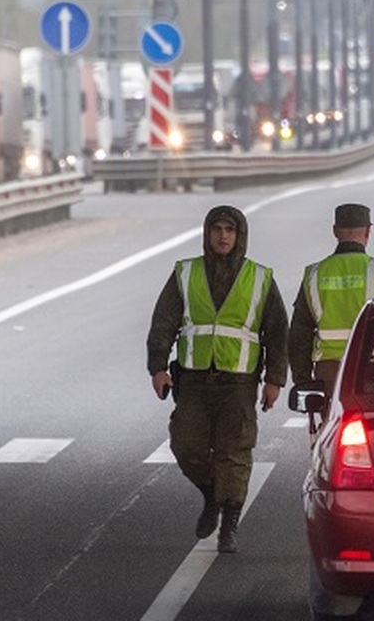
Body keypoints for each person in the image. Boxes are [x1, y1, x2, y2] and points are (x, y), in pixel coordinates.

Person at [146, 205, 288, 554]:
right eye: (217, 229)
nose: (223, 236)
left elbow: (278, 331)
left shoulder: (259, 277)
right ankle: (211, 494)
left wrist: (274, 380)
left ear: (240, 236)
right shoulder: (185, 272)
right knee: (185, 445)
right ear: (207, 233)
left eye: (230, 230)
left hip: (239, 382)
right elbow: (164, 321)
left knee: (235, 451)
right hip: (193, 380)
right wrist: (158, 366)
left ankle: (229, 524)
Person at [289, 203, 374, 398]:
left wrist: (303, 380)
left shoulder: (315, 274)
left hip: (329, 371)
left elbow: (299, 333)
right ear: (368, 231)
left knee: (333, 424)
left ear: (335, 231)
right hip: (373, 367)